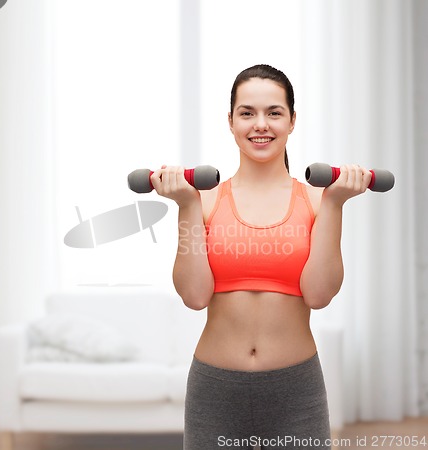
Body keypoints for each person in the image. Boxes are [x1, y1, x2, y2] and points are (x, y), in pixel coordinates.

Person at [150, 64, 371, 450]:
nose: (260, 124)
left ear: (292, 120)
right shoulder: (203, 200)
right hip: (215, 389)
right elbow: (193, 295)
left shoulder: (319, 200)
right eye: (247, 113)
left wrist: (336, 203)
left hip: (295, 389)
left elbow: (318, 295)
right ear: (231, 121)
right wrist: (185, 206)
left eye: (274, 112)